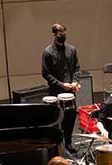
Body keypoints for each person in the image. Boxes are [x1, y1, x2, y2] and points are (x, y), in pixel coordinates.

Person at [41, 23, 81, 154]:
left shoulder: (72, 50)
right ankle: (57, 144)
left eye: (64, 34)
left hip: (69, 90)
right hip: (55, 91)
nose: (63, 36)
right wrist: (60, 84)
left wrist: (74, 82)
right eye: (60, 34)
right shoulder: (48, 52)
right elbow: (45, 73)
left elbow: (76, 68)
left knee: (70, 118)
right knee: (57, 119)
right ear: (54, 35)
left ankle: (68, 142)